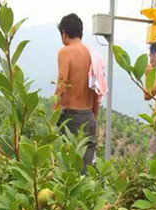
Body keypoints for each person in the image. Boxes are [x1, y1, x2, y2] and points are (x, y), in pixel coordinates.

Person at [55, 13, 100, 172]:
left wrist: (54, 114)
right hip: (89, 116)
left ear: (64, 33)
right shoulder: (92, 54)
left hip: (70, 118)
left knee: (67, 171)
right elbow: (97, 91)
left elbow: (62, 83)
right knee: (86, 173)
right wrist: (94, 117)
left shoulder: (65, 51)